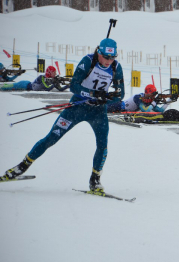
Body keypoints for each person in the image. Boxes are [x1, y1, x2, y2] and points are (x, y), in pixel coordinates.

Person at [1, 38, 125, 193]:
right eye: (106, 57)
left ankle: (95, 181)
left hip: (98, 112)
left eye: (112, 58)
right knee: (51, 138)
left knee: (102, 145)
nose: (108, 61)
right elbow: (74, 86)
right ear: (99, 53)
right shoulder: (87, 61)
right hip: (77, 108)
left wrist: (107, 97)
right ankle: (21, 167)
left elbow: (121, 94)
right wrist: (93, 93)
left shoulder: (116, 68)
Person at [0, 66, 70, 92]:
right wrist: (53, 84)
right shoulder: (41, 77)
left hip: (26, 85)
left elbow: (60, 89)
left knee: (10, 85)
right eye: (54, 72)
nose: (55, 74)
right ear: (50, 73)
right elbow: (46, 88)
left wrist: (68, 85)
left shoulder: (53, 79)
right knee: (8, 87)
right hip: (24, 85)